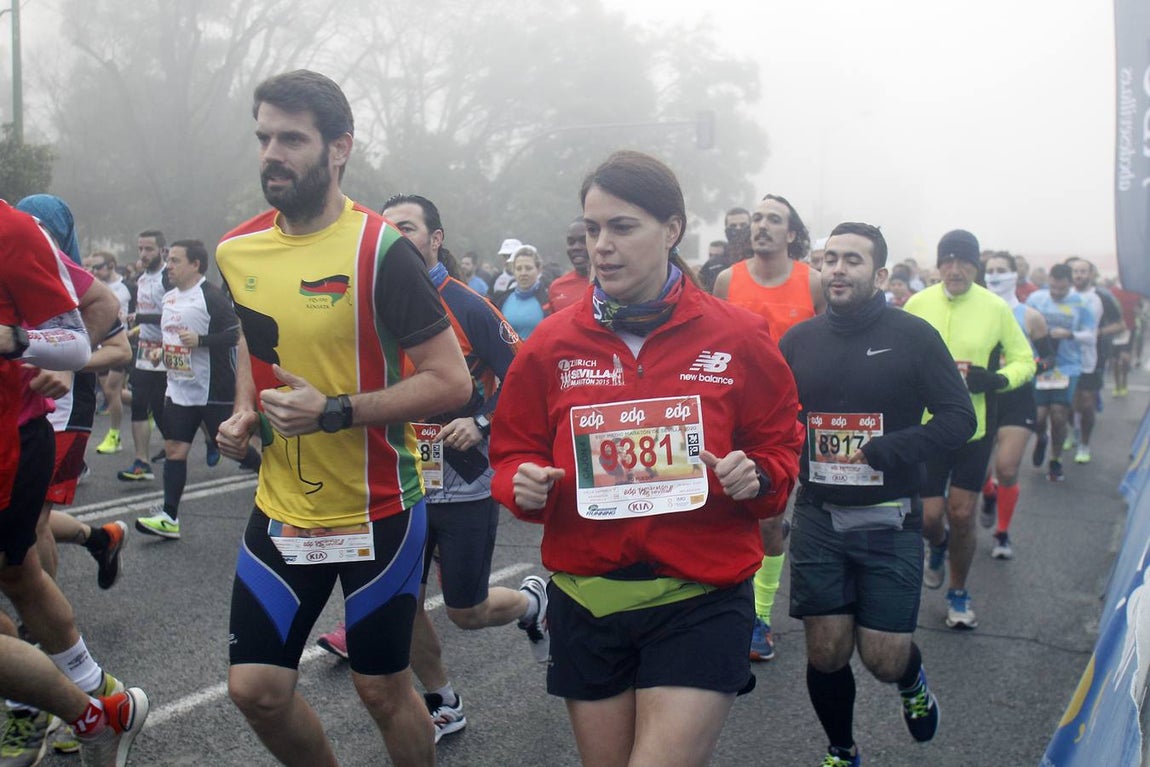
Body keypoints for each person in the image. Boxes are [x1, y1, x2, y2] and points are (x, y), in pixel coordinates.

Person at [489, 150, 802, 767]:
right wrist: (518, 484)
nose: (601, 246)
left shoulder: (738, 336)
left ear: (672, 229)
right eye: (593, 229)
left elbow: (779, 445)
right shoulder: (550, 344)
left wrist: (758, 474)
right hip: (588, 598)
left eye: (623, 227)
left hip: (701, 597)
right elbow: (512, 451)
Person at [213, 69, 471, 767]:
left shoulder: (380, 250)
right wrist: (244, 408)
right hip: (284, 506)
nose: (273, 152)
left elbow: (451, 379)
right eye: (265, 136)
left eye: (292, 138)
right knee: (256, 689)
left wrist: (333, 411)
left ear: (338, 148)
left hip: (378, 507)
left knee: (383, 688)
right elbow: (251, 332)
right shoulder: (237, 250)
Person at [316, 194, 536, 744]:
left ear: (436, 239)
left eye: (408, 228)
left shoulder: (468, 305)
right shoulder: (367, 303)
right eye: (386, 229)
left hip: (464, 479)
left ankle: (536, 601)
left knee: (466, 609)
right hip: (398, 482)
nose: (395, 237)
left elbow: (527, 377)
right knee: (402, 600)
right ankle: (443, 700)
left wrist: (483, 422)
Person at [780, 222, 975, 767]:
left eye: (852, 260)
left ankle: (912, 679)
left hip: (890, 518)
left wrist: (897, 447)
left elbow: (959, 419)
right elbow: (773, 417)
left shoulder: (913, 336)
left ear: (880, 274)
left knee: (882, 659)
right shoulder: (799, 340)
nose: (837, 269)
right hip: (819, 515)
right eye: (830, 259)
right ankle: (843, 750)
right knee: (826, 651)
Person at [0, 199, 149, 766]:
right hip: (33, 420)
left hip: (38, 423)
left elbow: (103, 332)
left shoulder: (24, 236)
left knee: (26, 558)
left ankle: (65, 699)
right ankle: (82, 699)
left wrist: (41, 353)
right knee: (20, 570)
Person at [713, 192, 826, 662]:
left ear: (792, 233)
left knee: (769, 519)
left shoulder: (813, 282)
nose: (761, 226)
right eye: (757, 218)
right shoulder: (726, 279)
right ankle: (722, 605)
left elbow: (827, 347)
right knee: (725, 512)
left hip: (790, 419)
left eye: (773, 220)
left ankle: (759, 616)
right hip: (732, 415)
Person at [904, 230, 1035, 629]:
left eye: (964, 262)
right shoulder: (917, 303)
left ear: (976, 267)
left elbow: (1024, 360)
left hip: (972, 429)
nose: (954, 269)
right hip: (927, 429)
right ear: (939, 264)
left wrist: (994, 380)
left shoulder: (995, 308)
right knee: (929, 519)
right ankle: (937, 546)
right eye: (947, 261)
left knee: (962, 514)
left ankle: (959, 592)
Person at [134, 240, 259, 540]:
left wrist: (201, 341)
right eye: (169, 260)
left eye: (176, 261)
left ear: (195, 265)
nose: (169, 267)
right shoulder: (170, 297)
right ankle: (169, 517)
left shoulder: (210, 297)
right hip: (179, 388)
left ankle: (271, 476)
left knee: (234, 446)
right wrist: (163, 353)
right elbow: (173, 336)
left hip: (212, 388)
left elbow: (235, 335)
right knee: (175, 449)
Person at [978, 252, 1053, 560]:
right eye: (990, 270)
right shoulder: (976, 312)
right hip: (981, 397)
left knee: (1007, 468)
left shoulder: (1030, 316)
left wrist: (1026, 365)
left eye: (1001, 270)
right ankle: (988, 494)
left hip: (1017, 398)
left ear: (1014, 275)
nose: (995, 276)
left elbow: (1049, 358)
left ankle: (1002, 533)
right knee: (980, 473)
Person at [1026, 264, 1094, 482]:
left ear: (1070, 285)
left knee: (1058, 414)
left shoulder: (1081, 304)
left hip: (1067, 366)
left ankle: (1055, 460)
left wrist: (1070, 334)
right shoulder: (1036, 299)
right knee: (1038, 417)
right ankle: (1041, 437)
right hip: (1040, 364)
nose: (1056, 293)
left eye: (1061, 290)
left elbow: (1091, 335)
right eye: (1053, 288)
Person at [116, 230, 169, 482]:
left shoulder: (168, 277)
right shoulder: (141, 279)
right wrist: (134, 330)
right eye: (140, 249)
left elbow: (175, 314)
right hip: (146, 350)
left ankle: (209, 440)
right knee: (139, 402)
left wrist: (141, 318)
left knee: (164, 407)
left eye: (149, 249)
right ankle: (141, 462)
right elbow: (144, 315)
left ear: (161, 250)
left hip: (170, 349)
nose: (143, 254)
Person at [1067, 258, 1124, 465]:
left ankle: (1084, 444)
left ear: (1091, 274)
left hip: (1094, 356)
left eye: (1083, 271)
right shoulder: (1063, 295)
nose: (1079, 275)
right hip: (1066, 357)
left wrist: (1097, 332)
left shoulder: (1102, 296)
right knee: (1069, 402)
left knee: (1087, 402)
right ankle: (1073, 430)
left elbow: (1120, 324)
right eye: (1075, 271)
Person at [91, 252, 133, 455]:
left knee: (112, 389)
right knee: (110, 392)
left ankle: (114, 435)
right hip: (100, 346)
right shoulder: (94, 286)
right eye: (91, 268)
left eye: (98, 267)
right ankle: (146, 404)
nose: (94, 271)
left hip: (120, 345)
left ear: (111, 265)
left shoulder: (125, 287)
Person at [497, 245, 550, 339]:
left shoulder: (548, 300)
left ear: (539, 270)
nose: (523, 273)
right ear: (513, 271)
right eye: (519, 269)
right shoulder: (503, 299)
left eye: (528, 268)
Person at [548, 218, 591, 312]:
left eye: (583, 241)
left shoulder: (614, 285)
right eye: (571, 242)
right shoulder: (556, 287)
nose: (576, 247)